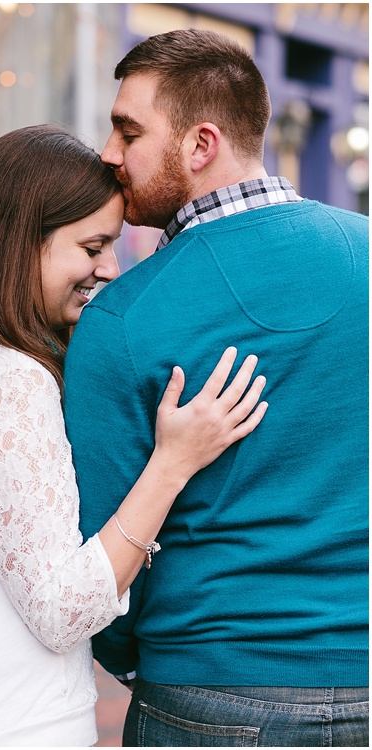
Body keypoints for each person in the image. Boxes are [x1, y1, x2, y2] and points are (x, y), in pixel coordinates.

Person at [0, 125, 268, 747]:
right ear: (17, 246)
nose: (110, 268)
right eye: (93, 246)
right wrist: (173, 462)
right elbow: (62, 609)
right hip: (8, 723)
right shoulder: (8, 379)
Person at [64, 29, 369, 746]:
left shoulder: (122, 320)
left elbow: (102, 553)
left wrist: (149, 664)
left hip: (209, 687)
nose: (109, 154)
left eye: (127, 131)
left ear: (200, 146)